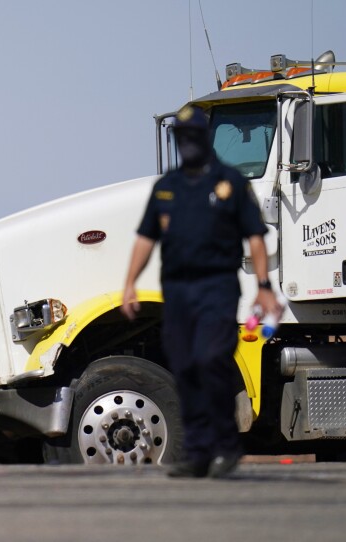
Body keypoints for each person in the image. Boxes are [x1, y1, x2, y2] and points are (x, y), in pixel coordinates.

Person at [120, 104, 280, 479]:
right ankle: (198, 453)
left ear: (204, 138)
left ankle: (226, 447)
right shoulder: (167, 188)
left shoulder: (230, 183)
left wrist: (263, 285)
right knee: (186, 367)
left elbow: (255, 237)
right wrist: (129, 283)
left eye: (193, 136)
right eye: (182, 137)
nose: (187, 143)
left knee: (212, 362)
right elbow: (145, 239)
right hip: (177, 292)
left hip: (216, 289)